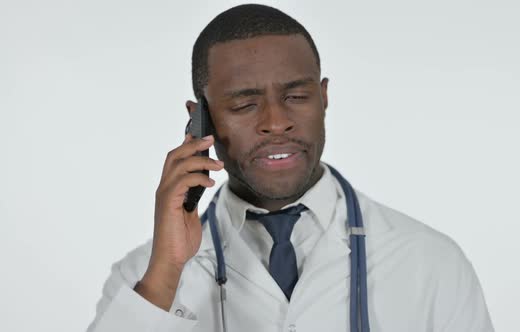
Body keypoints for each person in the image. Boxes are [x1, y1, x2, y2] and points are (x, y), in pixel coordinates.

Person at [87, 4, 494, 332]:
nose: (276, 121)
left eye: (297, 96)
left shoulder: (431, 263)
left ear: (324, 98)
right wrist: (168, 271)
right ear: (201, 121)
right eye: (245, 104)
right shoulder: (144, 279)